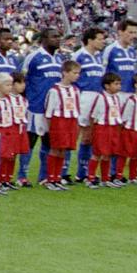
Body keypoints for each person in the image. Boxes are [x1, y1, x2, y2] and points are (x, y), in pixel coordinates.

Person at [18, 28, 63, 185]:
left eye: (58, 36)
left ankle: (44, 176)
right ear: (44, 39)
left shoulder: (59, 59)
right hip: (35, 106)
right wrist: (25, 102)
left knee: (48, 142)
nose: (57, 39)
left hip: (52, 110)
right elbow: (21, 79)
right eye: (54, 37)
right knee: (29, 142)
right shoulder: (34, 57)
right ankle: (22, 176)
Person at [70, 26, 109, 182]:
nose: (102, 42)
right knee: (76, 134)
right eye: (99, 39)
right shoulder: (79, 55)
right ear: (90, 40)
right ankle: (63, 172)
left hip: (97, 97)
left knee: (89, 137)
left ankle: (83, 172)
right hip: (83, 96)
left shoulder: (99, 57)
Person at [40, 59, 83, 191]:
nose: (77, 75)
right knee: (55, 149)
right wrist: (50, 128)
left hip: (71, 121)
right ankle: (50, 178)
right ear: (65, 73)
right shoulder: (55, 90)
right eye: (74, 73)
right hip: (59, 121)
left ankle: (58, 177)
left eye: (78, 73)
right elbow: (49, 111)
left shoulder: (75, 90)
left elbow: (77, 108)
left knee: (63, 150)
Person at [86, 72, 125, 187]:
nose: (119, 86)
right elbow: (93, 115)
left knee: (108, 154)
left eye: (119, 84)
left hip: (113, 128)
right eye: (116, 84)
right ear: (107, 86)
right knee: (97, 153)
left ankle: (105, 178)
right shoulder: (100, 97)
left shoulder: (117, 98)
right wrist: (93, 131)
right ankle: (91, 178)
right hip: (102, 128)